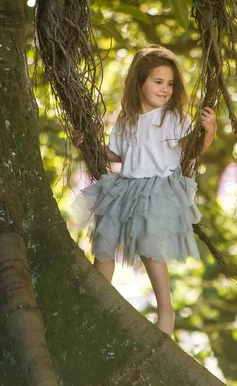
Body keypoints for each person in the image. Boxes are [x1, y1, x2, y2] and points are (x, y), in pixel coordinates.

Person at [71, 47, 217, 336]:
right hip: (125, 187)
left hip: (157, 189)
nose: (165, 89)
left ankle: (166, 311)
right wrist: (87, 144)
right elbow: (116, 154)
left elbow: (193, 149)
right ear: (140, 83)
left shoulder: (172, 118)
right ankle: (98, 301)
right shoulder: (126, 120)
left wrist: (209, 130)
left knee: (150, 248)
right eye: (158, 82)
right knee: (104, 242)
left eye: (170, 84)